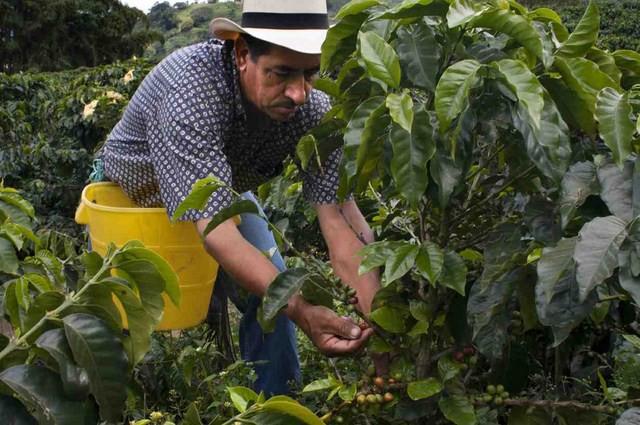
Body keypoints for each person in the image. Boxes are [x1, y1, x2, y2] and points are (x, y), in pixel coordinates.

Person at [98, 0, 381, 395]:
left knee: (273, 297)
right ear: (243, 54)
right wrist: (301, 309)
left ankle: (279, 409)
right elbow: (219, 233)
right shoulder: (190, 91)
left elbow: (342, 225)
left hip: (221, 189)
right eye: (281, 73)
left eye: (310, 75)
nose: (298, 93)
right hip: (134, 194)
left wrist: (384, 331)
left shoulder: (314, 111)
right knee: (121, 313)